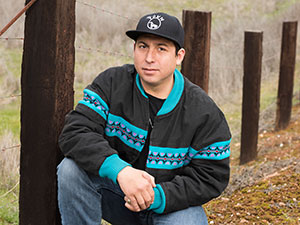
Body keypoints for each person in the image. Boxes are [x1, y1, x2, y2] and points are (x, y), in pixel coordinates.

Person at [57, 12, 231, 225]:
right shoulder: (112, 83)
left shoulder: (204, 112)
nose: (149, 58)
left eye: (161, 48)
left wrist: (156, 197)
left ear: (179, 56)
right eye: (143, 46)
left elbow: (211, 176)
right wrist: (121, 171)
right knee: (70, 171)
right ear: (134, 49)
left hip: (170, 208)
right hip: (119, 195)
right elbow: (76, 131)